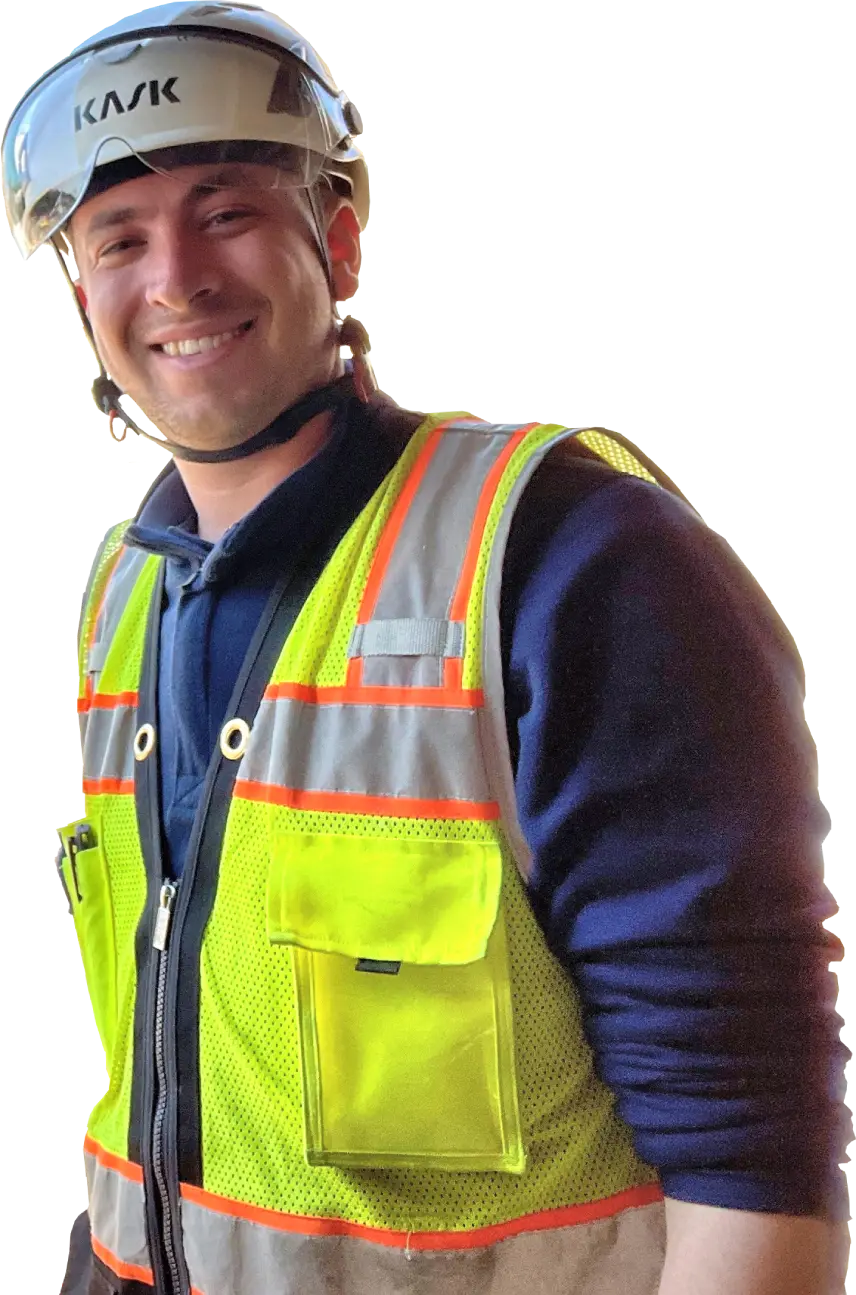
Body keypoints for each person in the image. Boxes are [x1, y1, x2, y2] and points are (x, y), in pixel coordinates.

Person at [2, 4, 847, 1293]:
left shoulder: (570, 552)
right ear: (81, 295)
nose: (174, 277)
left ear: (335, 242)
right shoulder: (126, 593)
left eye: (225, 210)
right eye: (119, 238)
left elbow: (747, 1139)